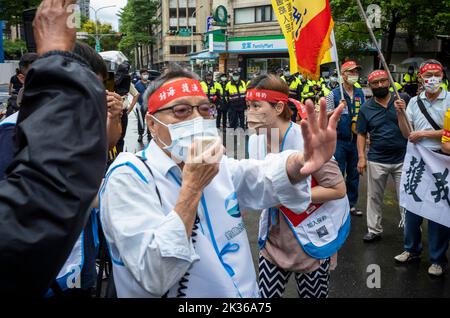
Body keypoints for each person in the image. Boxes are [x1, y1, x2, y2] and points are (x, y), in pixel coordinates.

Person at [98, 64, 344, 298]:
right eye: (181, 111)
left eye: (204, 110)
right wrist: (192, 188)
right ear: (152, 123)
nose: (196, 119)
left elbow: (262, 176)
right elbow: (154, 274)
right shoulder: (129, 176)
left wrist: (303, 159)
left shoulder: (217, 165)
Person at [0, 0, 107, 296]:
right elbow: (42, 203)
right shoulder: (10, 132)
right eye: (90, 90)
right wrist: (56, 57)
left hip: (76, 267)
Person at [246, 74, 348, 298]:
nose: (249, 112)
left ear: (279, 107)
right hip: (273, 240)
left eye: (256, 105)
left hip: (310, 238)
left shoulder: (306, 139)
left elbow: (338, 189)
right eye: (247, 105)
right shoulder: (254, 140)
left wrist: (287, 195)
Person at [395, 59, 450, 276]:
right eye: (428, 76)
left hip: (441, 159)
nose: (432, 79)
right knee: (413, 207)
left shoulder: (449, 100)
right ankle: (411, 249)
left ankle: (437, 259)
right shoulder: (414, 102)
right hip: (417, 158)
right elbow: (406, 132)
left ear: (442, 76)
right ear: (421, 78)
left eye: (436, 74)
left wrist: (426, 134)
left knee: (439, 210)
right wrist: (400, 113)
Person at [356, 70, 410, 242]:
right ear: (370, 86)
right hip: (377, 159)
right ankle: (374, 229)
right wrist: (361, 157)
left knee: (407, 197)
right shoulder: (366, 108)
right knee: (374, 197)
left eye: (382, 81)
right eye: (375, 83)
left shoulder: (403, 100)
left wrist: (403, 110)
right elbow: (361, 133)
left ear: (389, 82)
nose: (379, 85)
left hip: (403, 158)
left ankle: (410, 231)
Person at [326, 60, 365, 216]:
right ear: (343, 75)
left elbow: (363, 114)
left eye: (356, 72)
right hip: (339, 140)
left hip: (356, 140)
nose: (354, 75)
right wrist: (337, 109)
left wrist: (366, 136)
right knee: (338, 173)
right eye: (351, 72)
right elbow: (325, 115)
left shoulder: (360, 93)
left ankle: (351, 204)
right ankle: (336, 205)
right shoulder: (333, 94)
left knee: (354, 174)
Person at [135, 69, 150, 142]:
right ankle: (140, 135)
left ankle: (149, 134)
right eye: (144, 74)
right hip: (140, 105)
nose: (146, 75)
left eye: (147, 74)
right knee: (141, 121)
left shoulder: (150, 84)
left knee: (150, 120)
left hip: (150, 105)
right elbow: (135, 96)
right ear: (140, 75)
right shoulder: (137, 85)